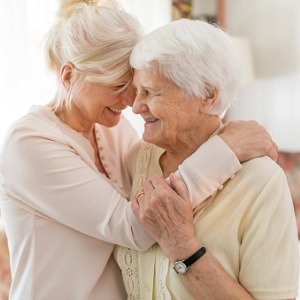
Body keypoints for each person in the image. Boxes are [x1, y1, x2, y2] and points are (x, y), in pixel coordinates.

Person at [0, 1, 278, 299]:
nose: (131, 101)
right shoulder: (28, 143)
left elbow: (156, 180)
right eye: (119, 85)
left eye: (134, 84)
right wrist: (226, 150)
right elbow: (137, 227)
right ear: (69, 77)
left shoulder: (112, 128)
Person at [114, 18, 300, 299]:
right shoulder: (134, 159)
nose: (137, 106)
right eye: (137, 91)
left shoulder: (262, 181)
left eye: (151, 92)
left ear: (207, 95)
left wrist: (181, 244)